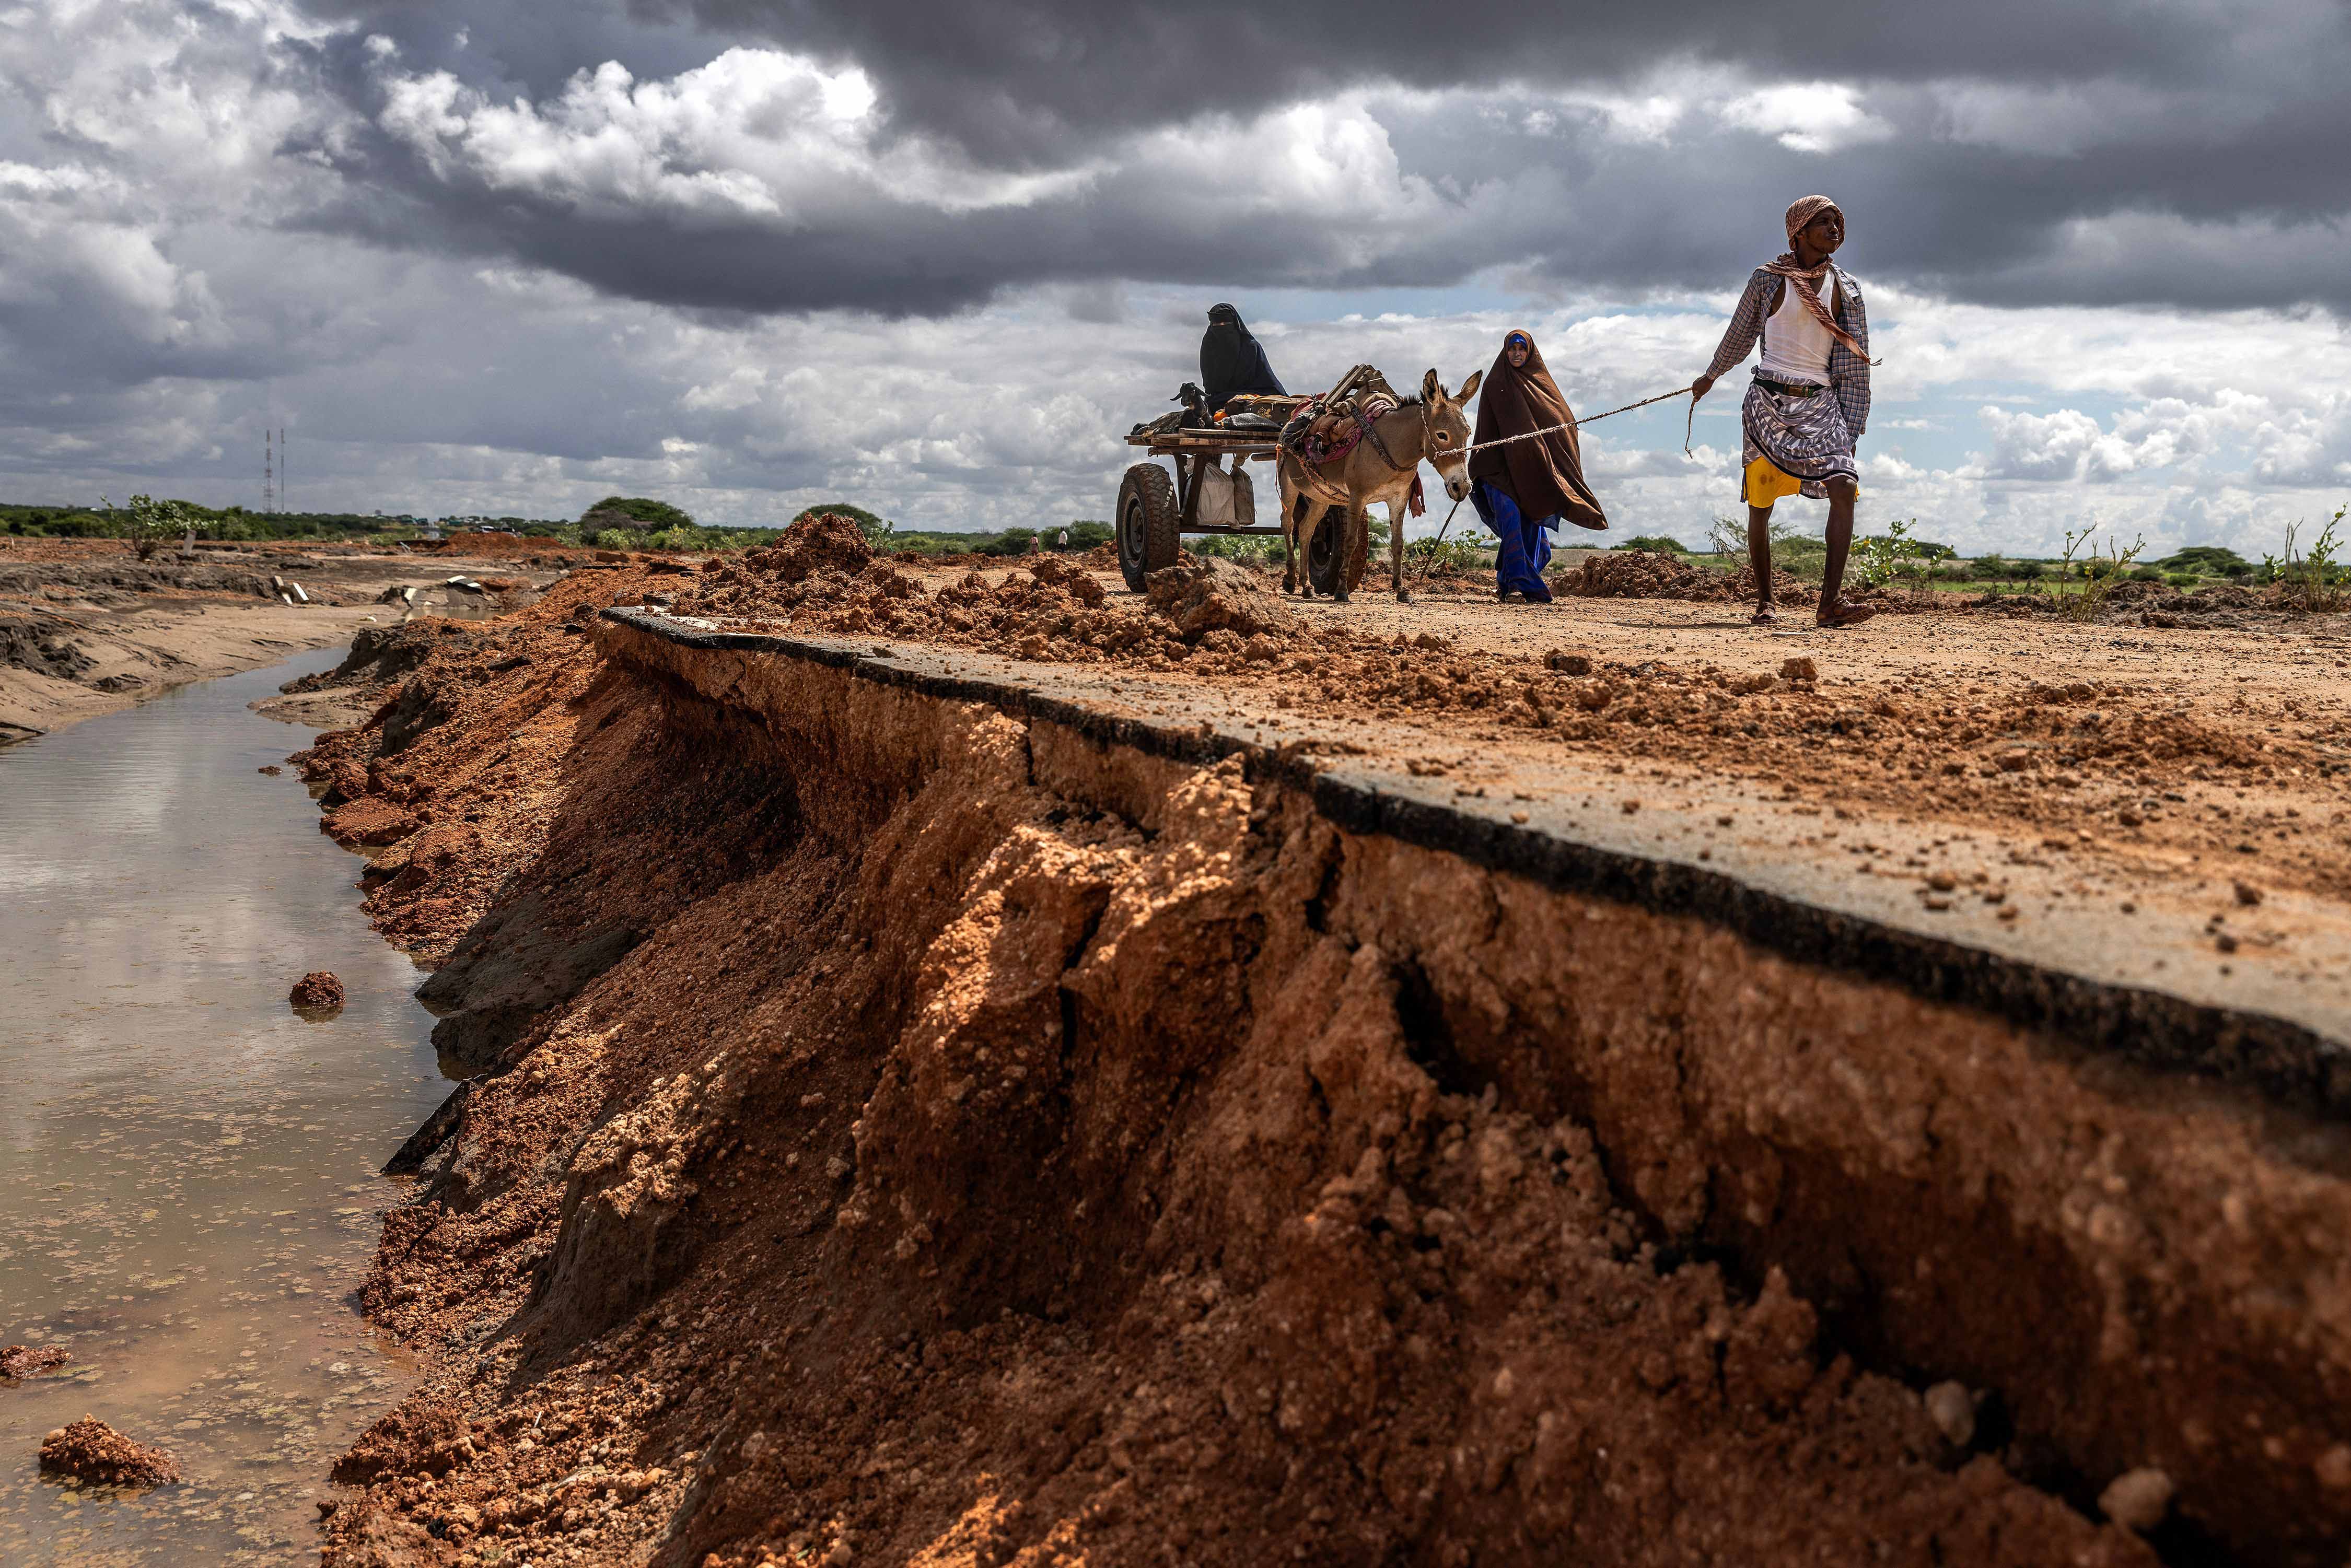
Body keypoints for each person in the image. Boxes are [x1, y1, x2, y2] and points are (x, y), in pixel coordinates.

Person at [1691, 195, 1876, 628]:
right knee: (1762, 501)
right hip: (1768, 403)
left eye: (1838, 222)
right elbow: (1739, 334)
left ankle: (1829, 604)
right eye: (1824, 222)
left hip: (1821, 402)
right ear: (1798, 232)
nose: (1835, 229)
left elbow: (1855, 363)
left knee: (1845, 486)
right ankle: (1766, 603)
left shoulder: (1848, 289)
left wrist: (1852, 421)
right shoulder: (1767, 280)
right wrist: (1711, 375)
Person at [1468, 329, 1608, 603]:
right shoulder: (1496, 382)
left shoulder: (1542, 384)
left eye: (1522, 349)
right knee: (1510, 520)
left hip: (1530, 471)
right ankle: (1520, 585)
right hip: (1499, 473)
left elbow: (1562, 420)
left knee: (1529, 522)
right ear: (1505, 352)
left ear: (1530, 352)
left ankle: (1508, 582)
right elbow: (1485, 430)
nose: (1517, 354)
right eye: (1512, 349)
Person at [1199, 303, 1286, 413]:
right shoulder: (1209, 346)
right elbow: (1210, 387)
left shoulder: (1251, 347)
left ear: (1235, 325)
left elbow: (1268, 383)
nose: (1221, 328)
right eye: (1216, 325)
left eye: (1226, 324)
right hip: (1217, 400)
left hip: (1253, 397)